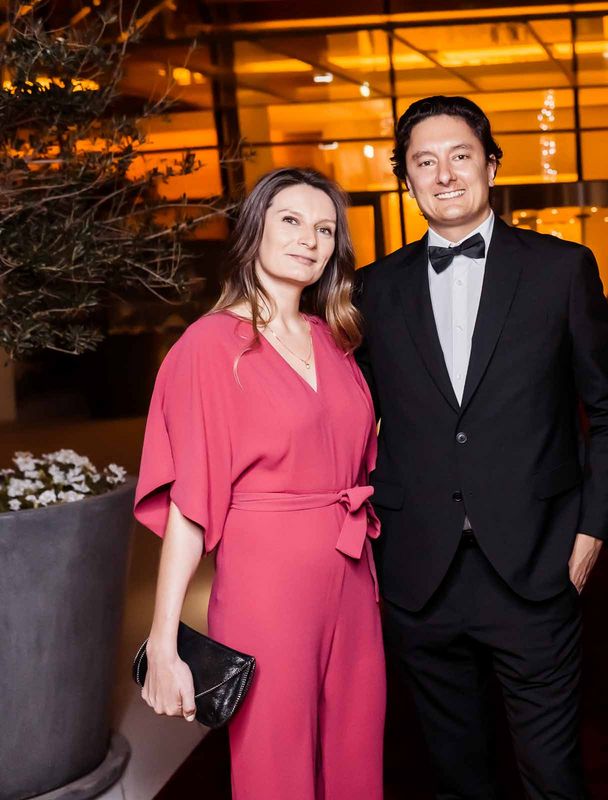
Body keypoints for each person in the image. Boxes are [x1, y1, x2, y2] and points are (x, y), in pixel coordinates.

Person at [355, 95, 608, 799]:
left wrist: (593, 533)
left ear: (492, 164)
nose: (444, 174)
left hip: (536, 563)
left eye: (460, 155)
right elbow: (350, 422)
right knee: (455, 778)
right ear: (406, 179)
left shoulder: (561, 269)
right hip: (420, 571)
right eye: (425, 162)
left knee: (552, 777)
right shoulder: (373, 289)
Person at [134, 167, 384, 799]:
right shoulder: (209, 346)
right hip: (267, 582)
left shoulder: (335, 339)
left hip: (353, 574)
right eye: (291, 221)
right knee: (276, 766)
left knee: (357, 752)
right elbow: (191, 506)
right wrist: (164, 641)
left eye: (324, 229)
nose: (309, 240)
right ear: (254, 231)